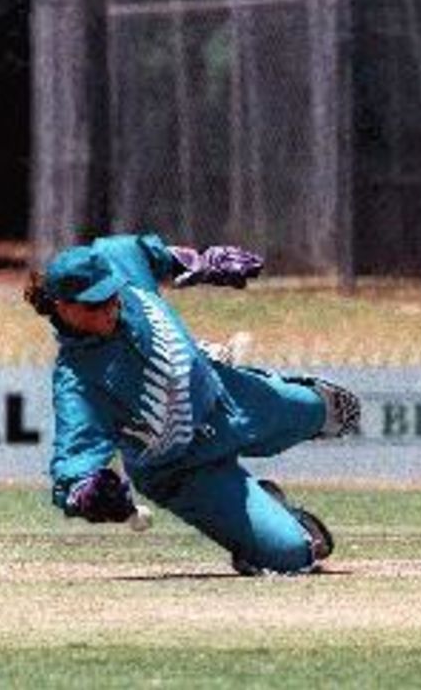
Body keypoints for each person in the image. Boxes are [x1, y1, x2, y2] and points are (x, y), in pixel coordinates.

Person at [23, 233, 361, 575]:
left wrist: (206, 264)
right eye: (95, 304)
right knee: (294, 555)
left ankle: (244, 374)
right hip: (181, 470)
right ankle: (266, 525)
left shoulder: (112, 258)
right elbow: (72, 469)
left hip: (228, 398)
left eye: (111, 295)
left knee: (333, 411)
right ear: (62, 306)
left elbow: (152, 254)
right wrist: (89, 496)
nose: (111, 307)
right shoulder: (78, 383)